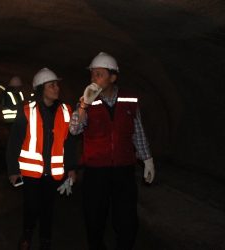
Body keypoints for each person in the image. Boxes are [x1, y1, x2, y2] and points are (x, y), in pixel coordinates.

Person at [69, 52, 155, 250]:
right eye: (92, 74)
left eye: (99, 74)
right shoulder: (86, 100)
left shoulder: (129, 100)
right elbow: (75, 129)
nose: (93, 79)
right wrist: (84, 105)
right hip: (96, 170)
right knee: (94, 218)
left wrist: (147, 159)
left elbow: (138, 131)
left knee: (127, 220)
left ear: (113, 77)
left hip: (123, 170)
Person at [6, 68, 77, 250]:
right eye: (51, 85)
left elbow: (69, 143)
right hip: (31, 171)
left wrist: (71, 169)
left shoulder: (66, 110)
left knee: (48, 208)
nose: (56, 88)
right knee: (31, 207)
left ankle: (45, 240)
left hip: (53, 172)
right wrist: (13, 170)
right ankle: (27, 234)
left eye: (57, 85)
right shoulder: (26, 111)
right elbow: (14, 142)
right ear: (40, 89)